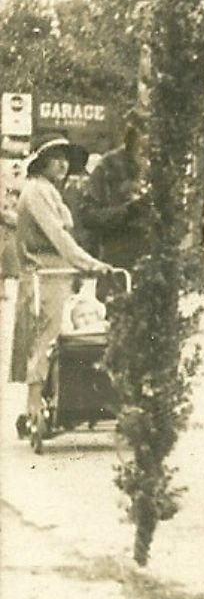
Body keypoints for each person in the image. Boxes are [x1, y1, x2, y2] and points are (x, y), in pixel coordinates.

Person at [12, 136, 116, 433]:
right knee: (47, 341)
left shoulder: (50, 192)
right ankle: (33, 408)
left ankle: (60, 400)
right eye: (55, 157)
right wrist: (92, 264)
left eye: (66, 158)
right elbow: (59, 237)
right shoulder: (36, 192)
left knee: (66, 340)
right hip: (44, 277)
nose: (62, 163)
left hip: (60, 276)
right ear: (40, 162)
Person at [78, 115, 151, 273]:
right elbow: (88, 216)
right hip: (118, 259)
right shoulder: (108, 166)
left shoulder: (166, 165)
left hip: (157, 263)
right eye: (140, 148)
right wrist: (127, 211)